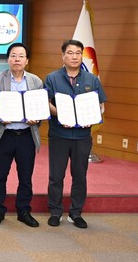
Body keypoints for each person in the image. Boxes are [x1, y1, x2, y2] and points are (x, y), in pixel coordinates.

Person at [45, 39, 106, 229]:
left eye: (78, 53)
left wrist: (92, 116)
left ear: (82, 56)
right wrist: (61, 114)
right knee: (56, 176)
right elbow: (46, 103)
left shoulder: (92, 80)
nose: (74, 56)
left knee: (80, 175)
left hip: (82, 136)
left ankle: (75, 212)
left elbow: (100, 105)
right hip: (59, 134)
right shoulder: (52, 78)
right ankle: (55, 212)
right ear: (63, 55)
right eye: (70, 53)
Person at [0, 42, 42, 228]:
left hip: (27, 135)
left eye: (21, 56)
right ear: (8, 59)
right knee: (0, 176)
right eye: (13, 55)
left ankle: (23, 211)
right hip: (5, 135)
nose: (17, 59)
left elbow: (40, 107)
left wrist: (37, 119)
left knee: (26, 177)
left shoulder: (35, 81)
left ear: (27, 60)